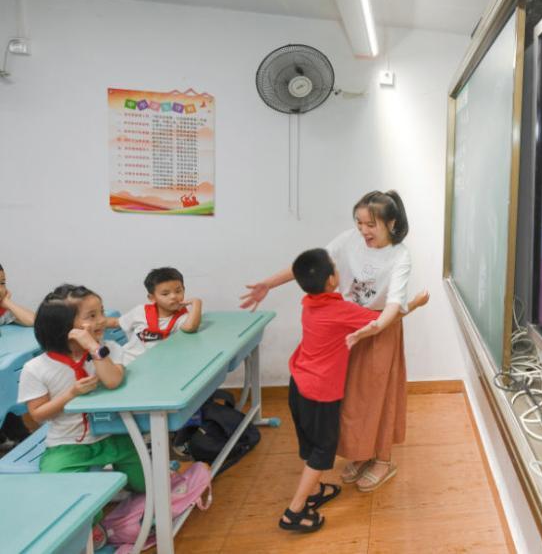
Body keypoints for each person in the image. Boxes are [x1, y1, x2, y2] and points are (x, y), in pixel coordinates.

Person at [241, 190, 424, 492]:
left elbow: (393, 304)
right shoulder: (349, 239)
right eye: (359, 223)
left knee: (378, 396)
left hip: (379, 327)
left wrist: (375, 327)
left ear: (391, 223)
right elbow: (312, 265)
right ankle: (362, 453)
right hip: (347, 326)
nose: (363, 231)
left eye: (371, 225)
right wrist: (269, 284)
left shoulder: (399, 256)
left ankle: (382, 459)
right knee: (352, 397)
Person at [280, 248, 427, 531]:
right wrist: (415, 304)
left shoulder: (308, 304)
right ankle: (294, 511)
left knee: (309, 443)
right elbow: (380, 322)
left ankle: (314, 492)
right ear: (331, 280)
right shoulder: (340, 311)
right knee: (323, 450)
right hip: (320, 393)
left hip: (297, 385)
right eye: (335, 267)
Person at [17, 284, 146, 549]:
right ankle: (93, 523)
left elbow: (112, 380)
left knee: (146, 484)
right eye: (91, 316)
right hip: (67, 444)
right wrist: (70, 394)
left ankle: (125, 501)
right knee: (59, 492)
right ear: (64, 327)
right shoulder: (36, 368)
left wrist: (92, 347)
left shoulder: (107, 350)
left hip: (114, 437)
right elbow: (38, 415)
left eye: (101, 312)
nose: (102, 320)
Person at [108, 267, 202, 365]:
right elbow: (115, 322)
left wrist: (197, 303)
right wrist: (98, 322)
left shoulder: (182, 318)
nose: (173, 296)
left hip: (155, 365)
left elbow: (190, 327)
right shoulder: (140, 311)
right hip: (125, 360)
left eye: (178, 291)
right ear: (152, 298)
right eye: (165, 294)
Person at [0, 262, 35, 449]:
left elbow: (33, 321)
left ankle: (15, 435)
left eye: (3, 283)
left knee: (8, 383)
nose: (1, 289)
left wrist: (8, 303)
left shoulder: (2, 312)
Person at [0, 262, 36, 326]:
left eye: (2, 283)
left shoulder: (3, 312)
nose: (0, 290)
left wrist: (7, 302)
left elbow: (34, 320)